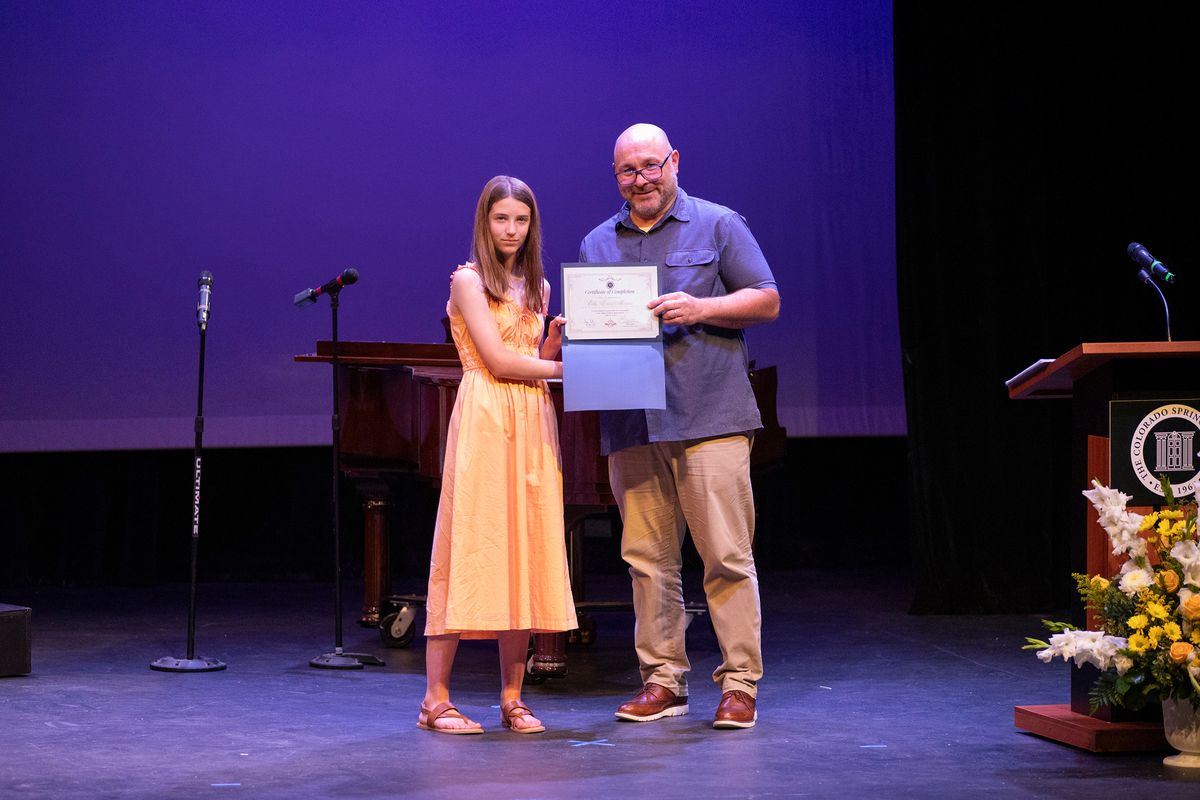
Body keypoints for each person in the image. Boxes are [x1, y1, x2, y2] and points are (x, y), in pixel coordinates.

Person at [578, 124, 780, 730]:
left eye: (650, 166)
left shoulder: (719, 224)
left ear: (674, 162)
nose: (640, 179)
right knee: (647, 560)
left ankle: (739, 683)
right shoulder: (597, 242)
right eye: (627, 170)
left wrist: (702, 308)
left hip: (709, 414)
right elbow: (597, 330)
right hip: (632, 420)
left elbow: (767, 299)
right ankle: (663, 680)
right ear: (615, 176)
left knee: (726, 555)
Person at [419, 175, 577, 735]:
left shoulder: (539, 287)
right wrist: (570, 369)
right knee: (470, 545)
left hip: (532, 417)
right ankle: (435, 700)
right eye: (501, 218)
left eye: (521, 220)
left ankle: (513, 698)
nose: (511, 230)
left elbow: (527, 354)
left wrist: (552, 347)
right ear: (484, 223)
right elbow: (499, 361)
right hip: (487, 416)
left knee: (524, 549)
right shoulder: (468, 280)